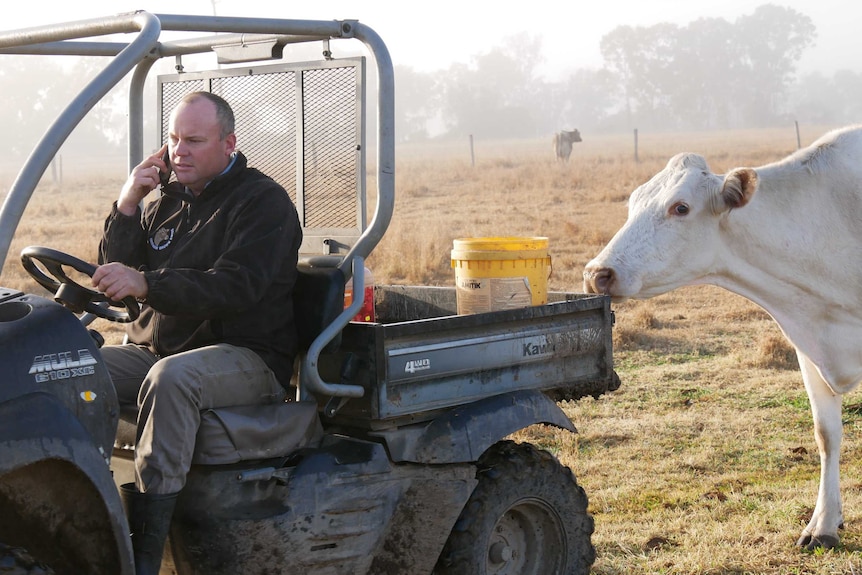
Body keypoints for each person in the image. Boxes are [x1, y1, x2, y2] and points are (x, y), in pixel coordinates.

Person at [92, 91, 302, 575]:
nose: (178, 151)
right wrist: (127, 204)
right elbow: (117, 274)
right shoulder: (165, 201)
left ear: (228, 144)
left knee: (172, 380)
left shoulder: (262, 202)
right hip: (161, 348)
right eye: (172, 139)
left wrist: (148, 283)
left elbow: (236, 286)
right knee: (70, 364)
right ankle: (81, 502)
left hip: (245, 355)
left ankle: (147, 553)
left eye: (193, 140)